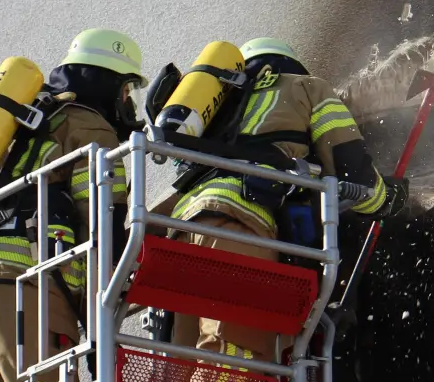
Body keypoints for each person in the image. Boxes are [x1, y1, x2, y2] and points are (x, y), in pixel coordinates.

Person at [0, 29, 143, 382]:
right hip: (24, 277)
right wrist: (106, 299)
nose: (128, 102)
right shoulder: (87, 124)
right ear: (109, 82)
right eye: (127, 89)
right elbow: (103, 213)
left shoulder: (6, 130)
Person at [168, 36, 408, 363]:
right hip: (239, 227)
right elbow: (355, 175)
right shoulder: (305, 87)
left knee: (179, 365)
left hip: (180, 234)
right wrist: (387, 200)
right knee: (235, 358)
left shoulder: (218, 107)